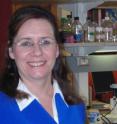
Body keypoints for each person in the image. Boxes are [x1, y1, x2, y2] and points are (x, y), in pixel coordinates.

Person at [0, 6, 87, 124]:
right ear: (11, 51)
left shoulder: (76, 106)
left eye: (45, 42)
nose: (37, 52)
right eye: (26, 43)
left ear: (56, 49)